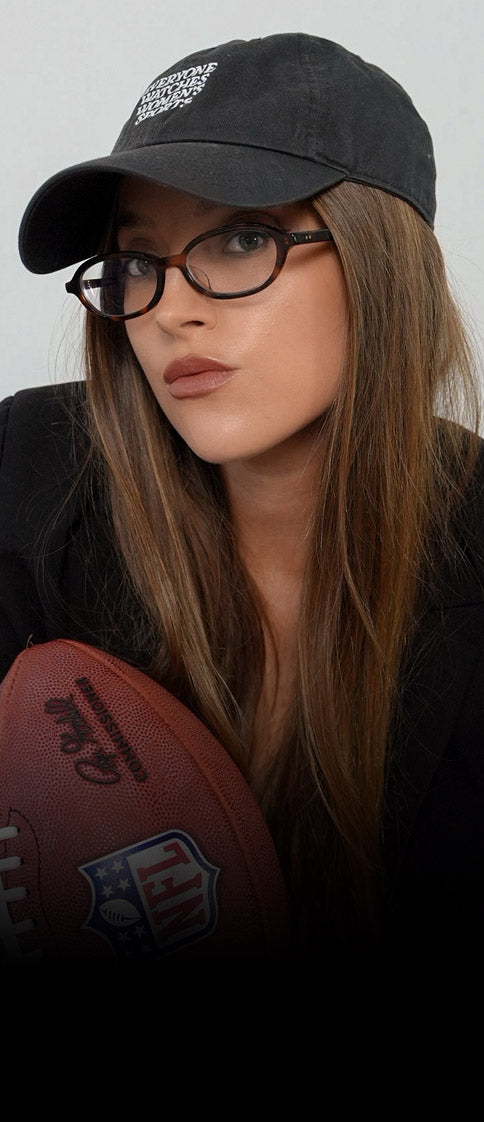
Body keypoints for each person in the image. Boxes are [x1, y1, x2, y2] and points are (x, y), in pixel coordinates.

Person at [1, 32, 483, 967]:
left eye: (243, 238)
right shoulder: (29, 476)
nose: (170, 310)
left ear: (381, 264)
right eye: (136, 260)